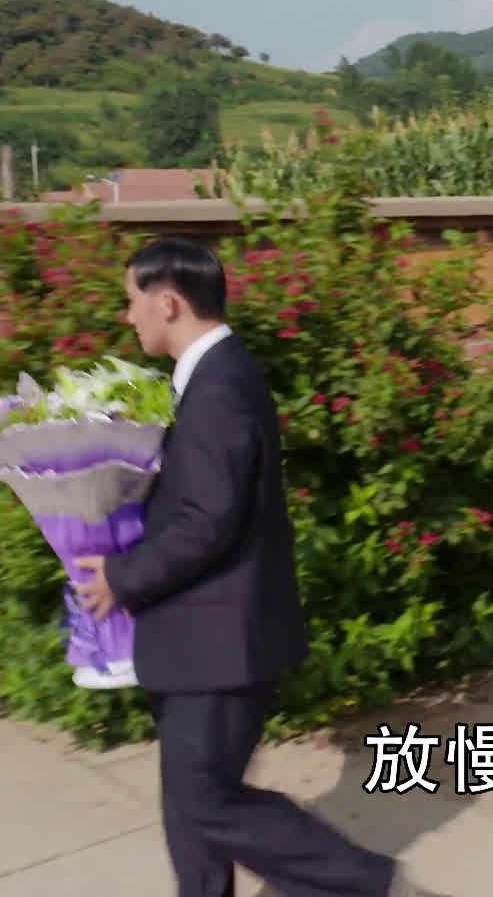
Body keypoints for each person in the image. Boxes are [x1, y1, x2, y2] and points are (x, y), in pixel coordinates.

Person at [73, 237, 437, 897]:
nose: (128, 317)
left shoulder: (219, 388)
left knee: (207, 798)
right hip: (198, 635)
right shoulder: (212, 377)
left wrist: (123, 578)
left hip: (218, 641)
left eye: (131, 302)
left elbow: (207, 521)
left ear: (168, 302)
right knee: (189, 800)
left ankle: (370, 883)